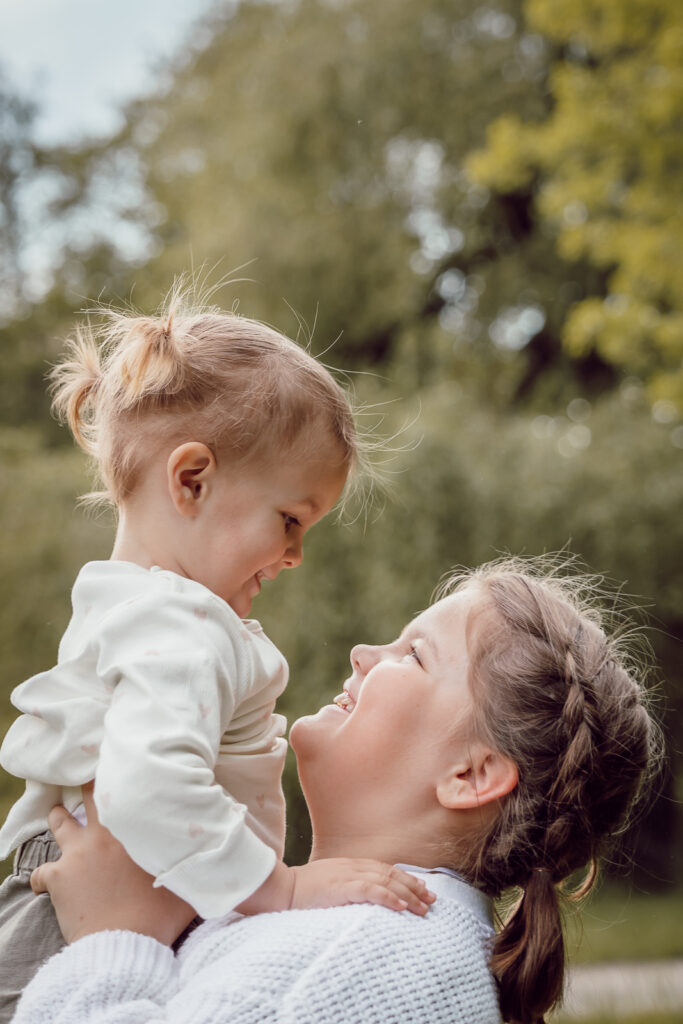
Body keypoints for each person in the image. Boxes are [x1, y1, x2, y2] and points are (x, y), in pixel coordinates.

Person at [0, 288, 432, 1021]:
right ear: (191, 479)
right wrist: (281, 889)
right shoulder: (179, 623)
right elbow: (142, 790)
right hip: (69, 905)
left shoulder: (145, 607)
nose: (295, 554)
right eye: (291, 519)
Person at [12, 557, 658, 1024]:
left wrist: (112, 940)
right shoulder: (346, 935)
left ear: (470, 775)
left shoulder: (365, 957)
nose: (361, 652)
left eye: (413, 655)